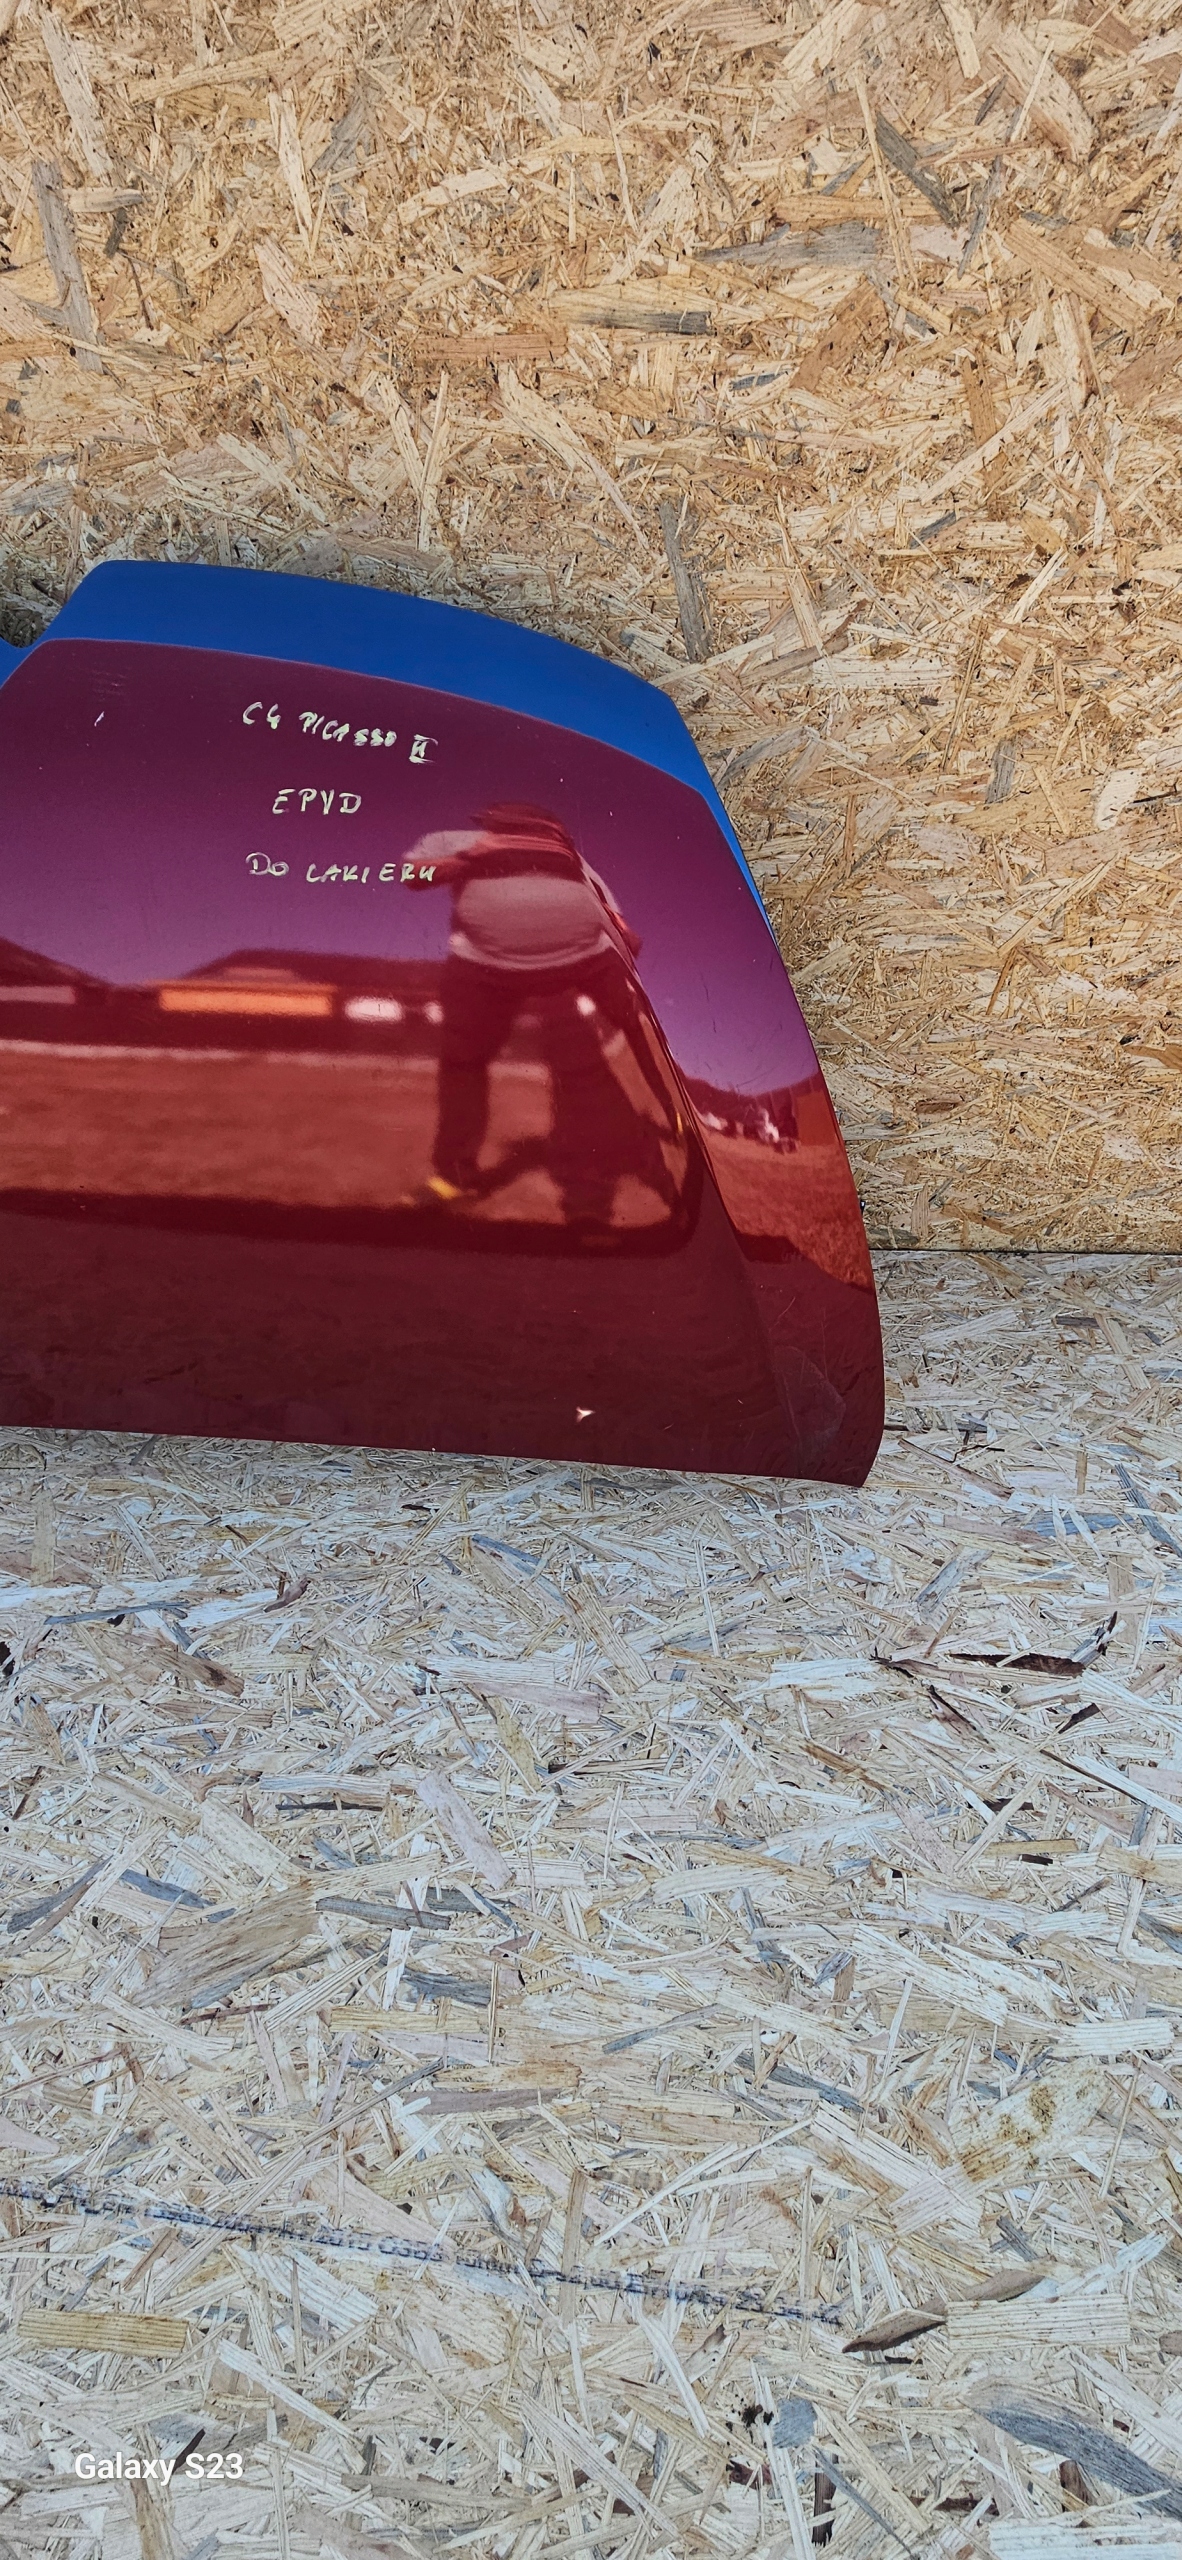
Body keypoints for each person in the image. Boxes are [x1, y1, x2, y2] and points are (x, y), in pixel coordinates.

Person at [402, 802, 684, 1228]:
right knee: (463, 1060)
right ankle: (455, 1177)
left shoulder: (570, 856)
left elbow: (609, 912)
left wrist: (623, 937)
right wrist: (467, 858)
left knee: (637, 1026)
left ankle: (674, 1118)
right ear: (493, 820)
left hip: (585, 957)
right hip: (484, 964)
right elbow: (411, 876)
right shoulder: (457, 840)